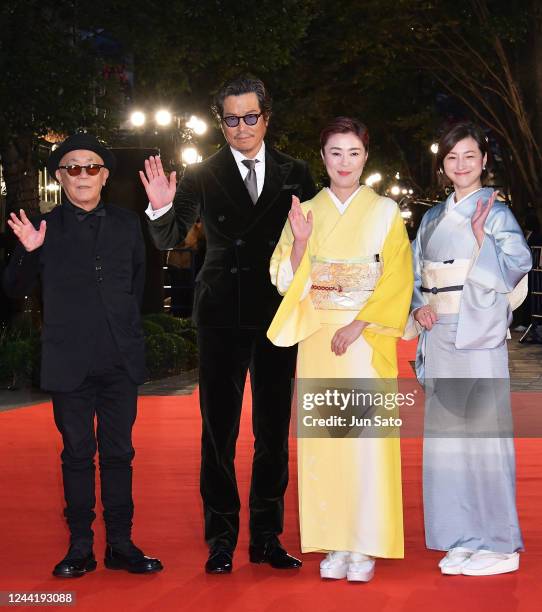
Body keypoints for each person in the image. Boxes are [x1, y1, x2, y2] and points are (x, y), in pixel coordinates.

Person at [139, 76, 316, 574]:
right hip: (219, 315)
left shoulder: (295, 172)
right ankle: (221, 538)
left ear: (267, 117)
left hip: (278, 314)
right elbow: (170, 237)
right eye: (231, 118)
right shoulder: (202, 173)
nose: (242, 127)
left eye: (251, 116)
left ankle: (266, 536)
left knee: (273, 432)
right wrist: (159, 205)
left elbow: (316, 237)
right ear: (221, 122)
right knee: (218, 432)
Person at [3, 133, 163, 578]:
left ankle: (121, 544)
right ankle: (80, 547)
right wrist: (27, 254)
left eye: (92, 166)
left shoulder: (129, 224)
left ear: (105, 176)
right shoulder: (42, 227)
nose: (83, 175)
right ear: (60, 175)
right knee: (76, 454)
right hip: (68, 360)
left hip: (119, 360)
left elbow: (136, 282)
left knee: (119, 454)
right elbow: (13, 288)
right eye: (73, 167)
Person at [267, 117, 413, 582]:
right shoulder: (306, 211)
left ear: (365, 156)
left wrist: (360, 322)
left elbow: (398, 277)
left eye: (353, 152)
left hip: (365, 338)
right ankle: (334, 541)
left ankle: (365, 545)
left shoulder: (386, 212)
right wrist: (302, 243)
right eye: (335, 152)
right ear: (323, 157)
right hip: (318, 337)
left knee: (365, 444)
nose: (344, 161)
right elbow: (284, 279)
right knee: (326, 443)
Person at [410, 121, 532, 576]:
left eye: (469, 156)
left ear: (484, 161)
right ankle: (461, 535)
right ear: (443, 165)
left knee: (485, 436)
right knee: (447, 441)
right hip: (440, 332)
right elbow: (418, 275)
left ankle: (499, 543)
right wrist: (420, 306)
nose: (460, 165)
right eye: (451, 158)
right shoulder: (432, 217)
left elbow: (519, 264)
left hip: (477, 331)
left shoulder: (497, 212)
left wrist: (483, 240)